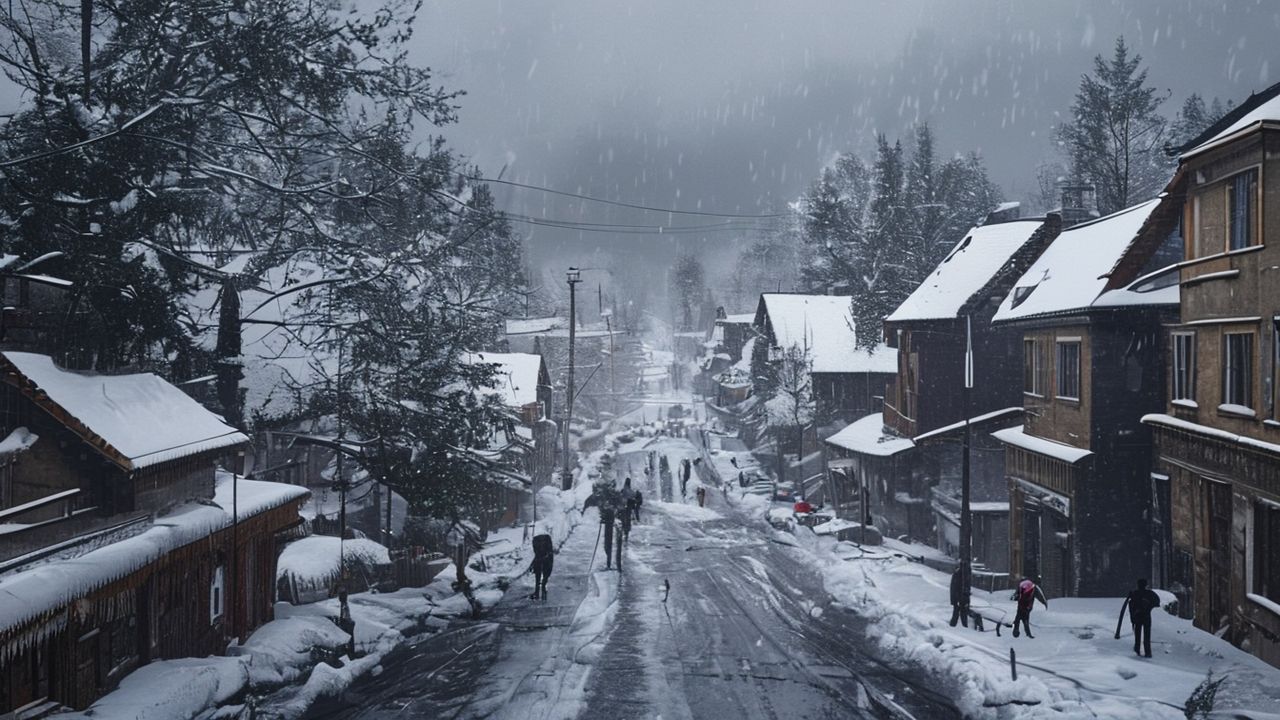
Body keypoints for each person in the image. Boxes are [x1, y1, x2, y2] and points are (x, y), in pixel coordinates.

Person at [1120, 578, 1161, 657]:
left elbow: (1131, 606)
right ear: (1146, 585)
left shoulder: (1135, 593)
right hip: (1146, 616)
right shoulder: (1150, 593)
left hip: (1137, 616)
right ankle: (1147, 652)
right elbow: (1157, 602)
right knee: (1147, 635)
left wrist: (1133, 617)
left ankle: (1137, 650)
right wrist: (1149, 607)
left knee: (1137, 635)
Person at [530, 528, 554, 600]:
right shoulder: (547, 537)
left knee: (538, 573)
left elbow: (535, 552)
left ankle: (537, 591)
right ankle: (543, 587)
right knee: (546, 572)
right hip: (546, 556)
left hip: (540, 556)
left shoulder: (536, 538)